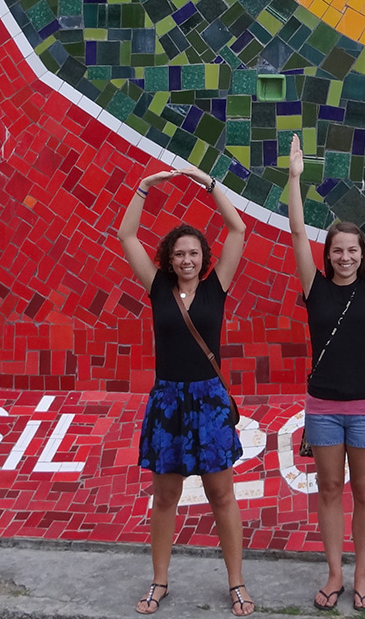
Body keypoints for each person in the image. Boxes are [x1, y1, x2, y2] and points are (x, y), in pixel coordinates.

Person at [118, 166, 254, 616]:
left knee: (222, 496)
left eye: (194, 253)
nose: (188, 260)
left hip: (210, 403)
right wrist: (145, 187)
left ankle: (236, 583)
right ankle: (159, 582)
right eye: (179, 254)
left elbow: (238, 227)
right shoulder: (157, 288)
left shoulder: (218, 286)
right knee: (164, 498)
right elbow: (126, 235)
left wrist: (208, 183)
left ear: (204, 257)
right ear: (169, 259)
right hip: (168, 403)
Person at [285, 134, 365, 612]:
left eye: (353, 250)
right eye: (337, 251)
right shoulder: (314, 287)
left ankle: (363, 575)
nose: (345, 257)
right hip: (324, 406)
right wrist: (293, 179)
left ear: (362, 253)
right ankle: (335, 573)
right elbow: (294, 231)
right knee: (330, 489)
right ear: (327, 254)